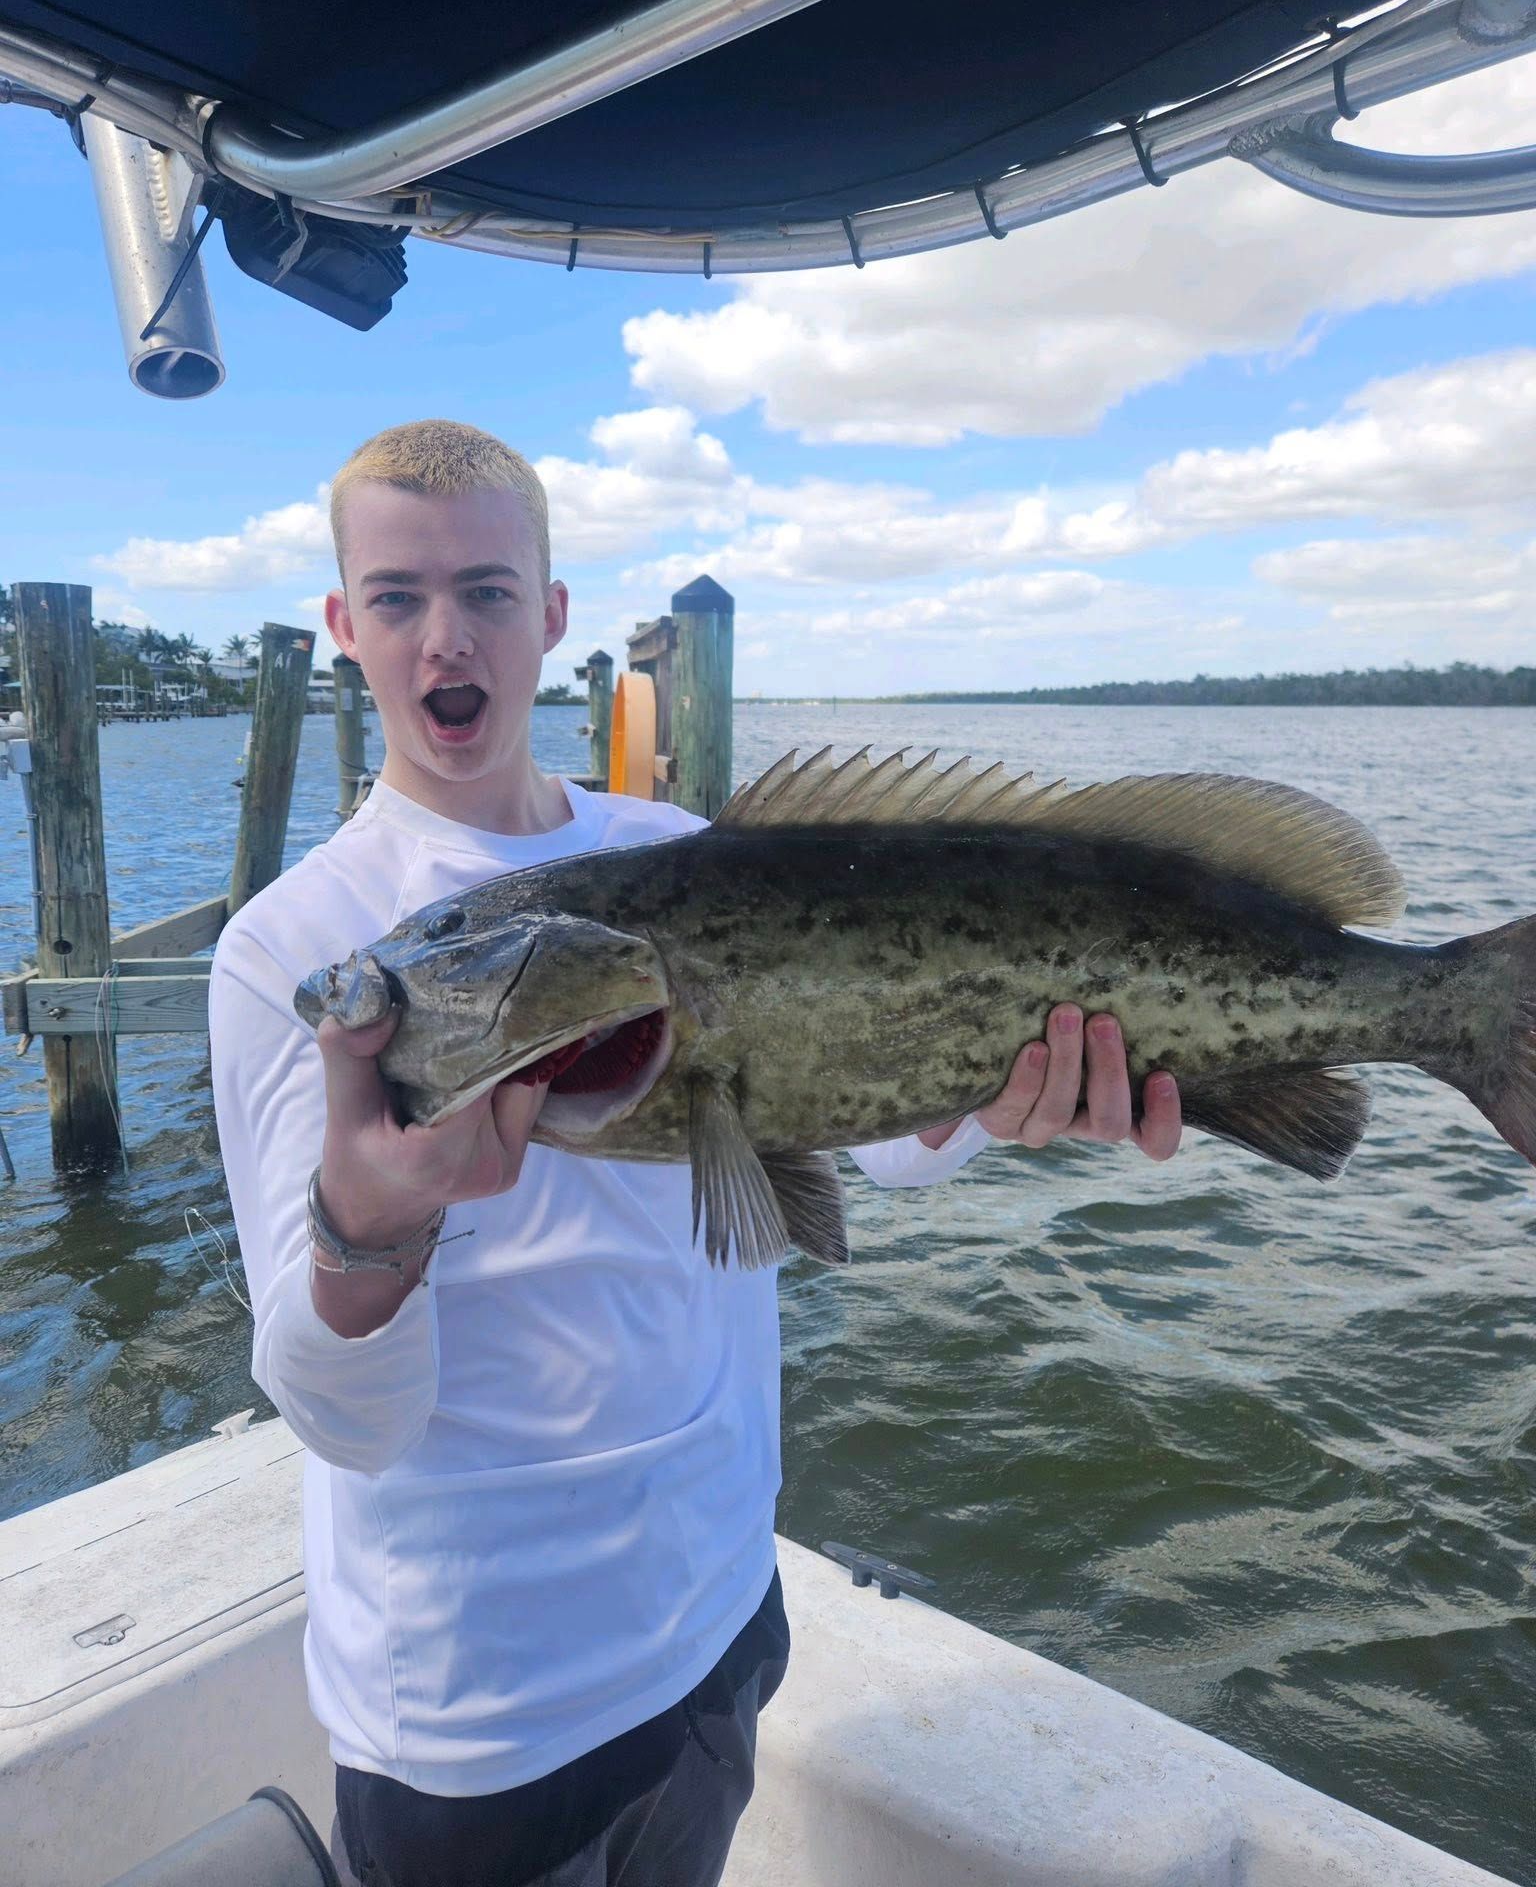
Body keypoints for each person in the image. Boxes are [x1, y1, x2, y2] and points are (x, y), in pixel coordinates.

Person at [210, 419, 1183, 1887]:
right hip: (481, 1712)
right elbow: (339, 1416)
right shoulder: (296, 948)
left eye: (484, 591)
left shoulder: (671, 841)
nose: (443, 638)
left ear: (549, 617)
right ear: (346, 628)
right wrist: (368, 1233)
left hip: (723, 1621)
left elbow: (844, 1139)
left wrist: (993, 1100)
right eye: (398, 600)